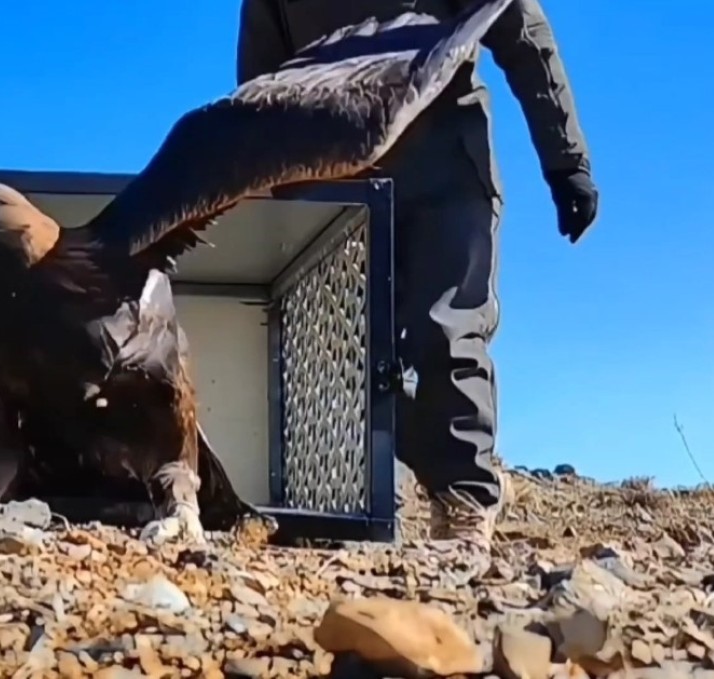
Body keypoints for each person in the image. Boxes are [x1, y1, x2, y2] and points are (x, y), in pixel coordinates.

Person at [237, 0, 600, 555]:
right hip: (337, 177)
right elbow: (261, 85)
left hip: (445, 170)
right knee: (340, 353)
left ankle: (463, 500)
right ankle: (431, 472)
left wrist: (566, 162)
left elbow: (523, 34)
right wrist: (260, 182)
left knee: (446, 332)